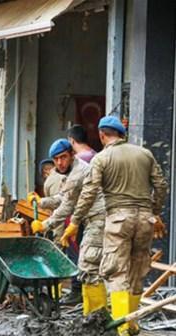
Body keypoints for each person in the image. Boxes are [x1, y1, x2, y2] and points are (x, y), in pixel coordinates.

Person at [64, 116, 168, 336]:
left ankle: (121, 328)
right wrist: (155, 213)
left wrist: (74, 221)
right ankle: (132, 323)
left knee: (117, 272)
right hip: (145, 220)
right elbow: (161, 185)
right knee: (138, 271)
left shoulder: (101, 158)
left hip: (118, 220)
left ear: (102, 135)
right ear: (123, 134)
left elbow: (89, 192)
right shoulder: (145, 154)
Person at [31, 139, 105, 313]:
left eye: (63, 157)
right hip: (87, 219)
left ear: (72, 154)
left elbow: (66, 206)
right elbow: (62, 198)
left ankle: (96, 315)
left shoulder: (79, 172)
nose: (59, 163)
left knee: (88, 265)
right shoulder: (70, 173)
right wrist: (41, 202)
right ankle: (90, 311)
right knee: (84, 262)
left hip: (98, 219)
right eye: (56, 159)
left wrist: (45, 225)